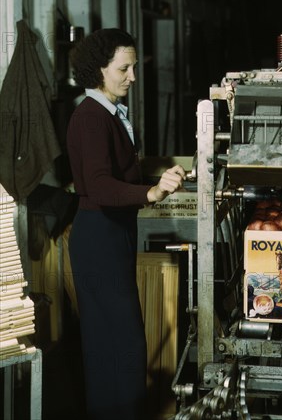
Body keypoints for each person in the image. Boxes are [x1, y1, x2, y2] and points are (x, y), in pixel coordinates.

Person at [66, 28, 185, 419]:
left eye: (133, 67)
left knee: (112, 345)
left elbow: (116, 173)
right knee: (122, 345)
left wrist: (157, 175)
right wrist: (150, 194)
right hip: (99, 235)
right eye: (124, 68)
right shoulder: (91, 117)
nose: (132, 76)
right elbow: (99, 186)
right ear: (98, 70)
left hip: (112, 233)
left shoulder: (108, 113)